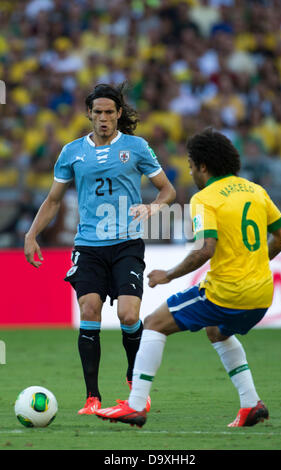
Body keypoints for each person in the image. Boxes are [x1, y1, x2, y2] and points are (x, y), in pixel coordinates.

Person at [96, 128, 281, 428]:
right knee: (216, 331)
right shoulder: (255, 190)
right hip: (262, 295)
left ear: (203, 166)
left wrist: (168, 275)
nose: (189, 171)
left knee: (153, 323)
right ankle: (251, 403)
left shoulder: (205, 199)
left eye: (190, 165)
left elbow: (205, 250)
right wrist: (257, 262)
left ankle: (135, 406)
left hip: (226, 293)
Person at [24, 83, 176, 415]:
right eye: (98, 113)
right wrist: (32, 233)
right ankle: (92, 398)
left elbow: (167, 191)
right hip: (88, 246)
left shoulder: (136, 147)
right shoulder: (72, 152)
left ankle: (135, 386)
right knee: (89, 311)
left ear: (119, 113)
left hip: (126, 244)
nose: (104, 118)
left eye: (110, 112)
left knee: (129, 315)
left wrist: (152, 208)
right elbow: (53, 200)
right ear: (89, 115)